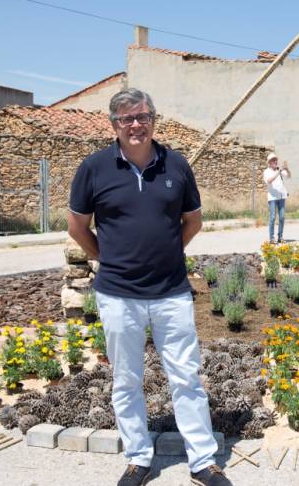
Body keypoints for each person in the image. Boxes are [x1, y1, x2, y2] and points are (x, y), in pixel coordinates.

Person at [67, 88, 231, 486]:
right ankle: (138, 459)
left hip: (171, 292)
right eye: (127, 119)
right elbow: (77, 226)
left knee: (186, 378)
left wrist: (169, 253)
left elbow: (193, 222)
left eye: (142, 117)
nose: (136, 125)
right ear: (114, 126)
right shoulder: (94, 168)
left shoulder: (176, 165)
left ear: (154, 120)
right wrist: (106, 258)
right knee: (126, 379)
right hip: (118, 294)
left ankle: (203, 463)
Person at [263, 152, 291, 243]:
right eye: (273, 160)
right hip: (272, 198)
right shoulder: (267, 171)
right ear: (269, 162)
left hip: (282, 196)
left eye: (276, 160)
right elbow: (269, 181)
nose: (275, 161)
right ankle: (271, 238)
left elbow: (289, 176)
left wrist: (287, 169)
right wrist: (278, 172)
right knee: (272, 217)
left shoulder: (279, 170)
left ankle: (280, 237)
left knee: (282, 217)